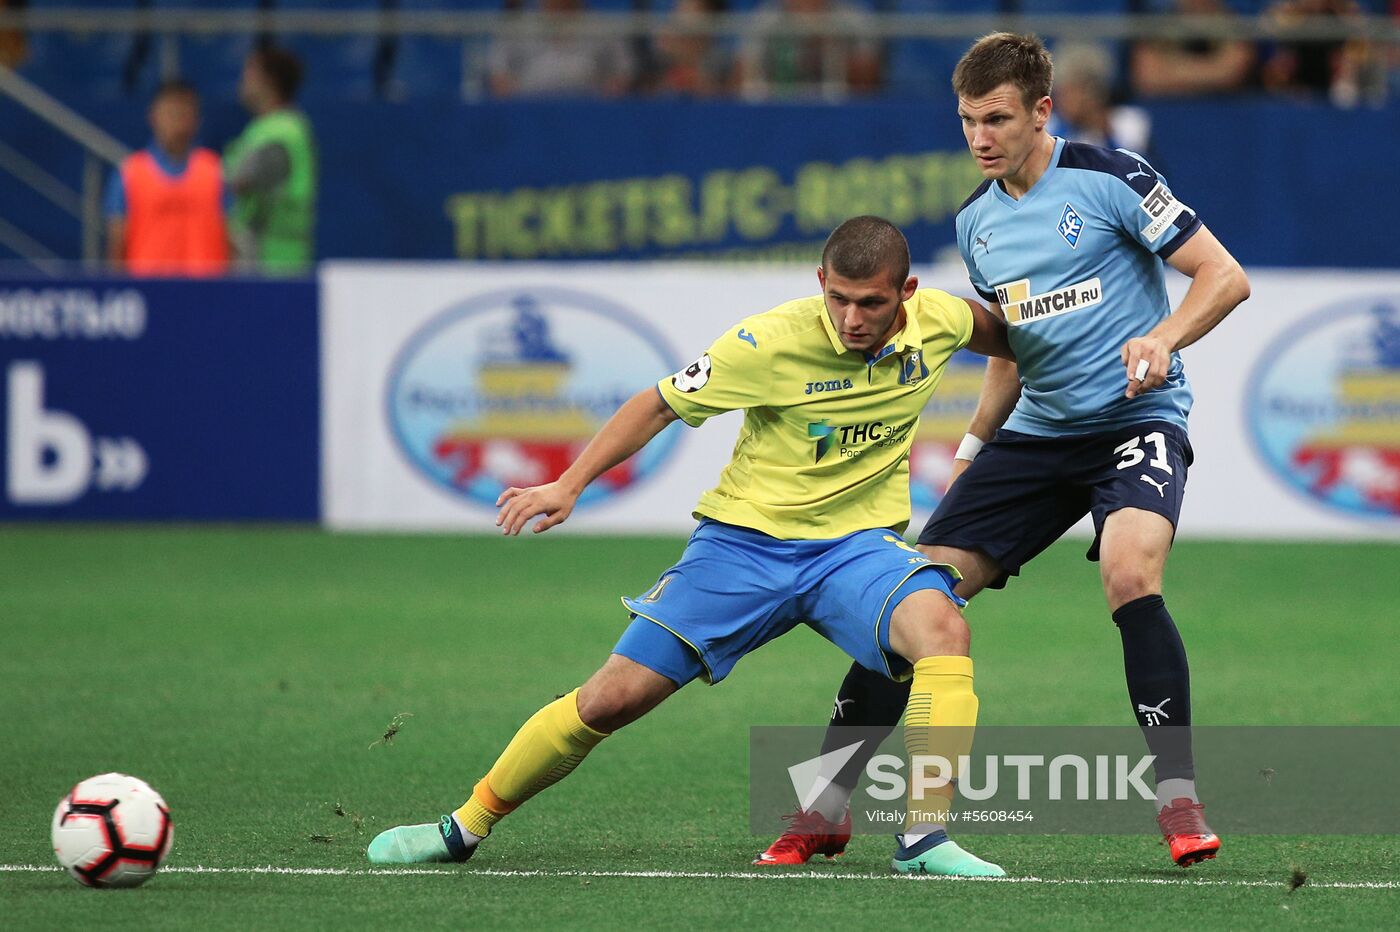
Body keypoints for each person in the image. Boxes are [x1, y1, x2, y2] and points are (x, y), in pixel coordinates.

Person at [368, 216, 1016, 877]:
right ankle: (463, 827)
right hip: (742, 548)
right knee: (608, 700)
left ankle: (923, 839)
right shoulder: (765, 341)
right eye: (838, 298)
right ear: (820, 282)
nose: (851, 318)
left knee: (942, 630)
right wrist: (570, 484)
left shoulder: (942, 319)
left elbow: (1022, 342)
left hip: (855, 549)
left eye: (871, 303)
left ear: (906, 291)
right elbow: (656, 404)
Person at [756, 32, 1250, 870]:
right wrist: (975, 439)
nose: (979, 138)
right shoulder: (976, 223)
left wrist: (1163, 337)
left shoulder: (1113, 178)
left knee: (1130, 570)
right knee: (911, 600)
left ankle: (1178, 802)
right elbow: (1014, 349)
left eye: (995, 119)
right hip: (1037, 435)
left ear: (1040, 112)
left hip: (1135, 422)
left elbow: (1224, 277)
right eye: (966, 121)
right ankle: (826, 806)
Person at [105, 79, 231, 277]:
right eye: (171, 113)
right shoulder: (129, 173)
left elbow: (230, 237)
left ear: (197, 119)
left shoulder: (216, 171)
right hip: (148, 293)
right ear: (153, 116)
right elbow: (116, 245)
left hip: (207, 293)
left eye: (185, 113)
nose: (178, 121)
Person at [224, 46, 317, 275]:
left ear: (269, 81)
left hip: (272, 261)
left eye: (249, 74)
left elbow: (241, 181)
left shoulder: (281, 133)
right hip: (263, 257)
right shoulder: (264, 128)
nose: (242, 83)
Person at [486, 0, 636, 98]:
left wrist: (606, 96)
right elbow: (498, 75)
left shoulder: (604, 28)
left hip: (590, 116)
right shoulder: (516, 28)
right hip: (527, 115)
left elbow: (623, 75)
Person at [736, 0, 882, 100]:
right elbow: (742, 75)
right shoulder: (766, 18)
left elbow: (869, 77)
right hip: (779, 107)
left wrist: (827, 49)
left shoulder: (853, 18)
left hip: (842, 108)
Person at [1129, 0, 1256, 99]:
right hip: (1169, 117)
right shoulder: (1159, 24)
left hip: (1229, 118)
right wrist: (1214, 71)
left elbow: (1234, 72)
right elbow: (1149, 77)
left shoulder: (1234, 23)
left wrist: (1173, 72)